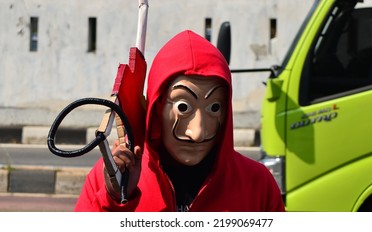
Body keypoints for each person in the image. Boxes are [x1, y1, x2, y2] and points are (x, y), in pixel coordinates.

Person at [74, 30, 285, 212]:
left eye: (214, 107)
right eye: (183, 107)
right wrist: (113, 200)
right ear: (156, 107)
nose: (198, 132)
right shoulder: (110, 176)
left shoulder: (257, 183)